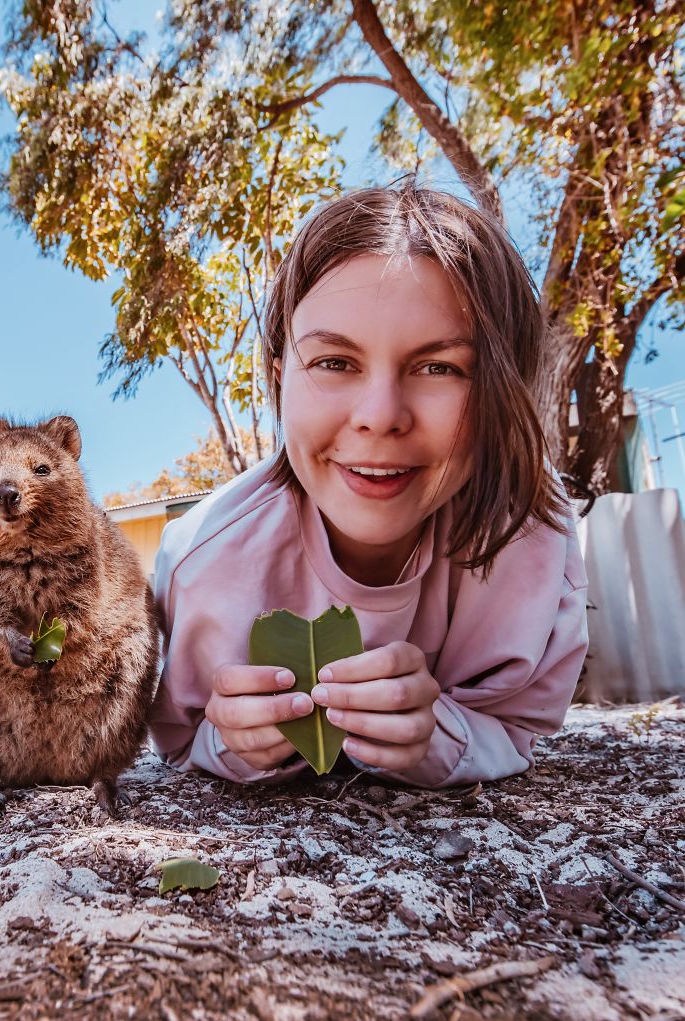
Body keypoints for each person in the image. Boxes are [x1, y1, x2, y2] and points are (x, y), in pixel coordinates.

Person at [148, 183, 589, 789]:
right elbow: (177, 739)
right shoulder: (201, 564)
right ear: (279, 384)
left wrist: (440, 734)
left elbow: (519, 729)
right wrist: (230, 740)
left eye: (440, 368)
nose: (381, 415)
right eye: (334, 362)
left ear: (500, 389)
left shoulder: (533, 542)